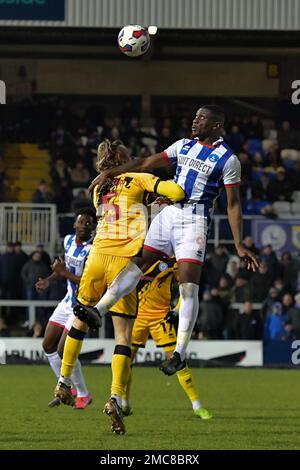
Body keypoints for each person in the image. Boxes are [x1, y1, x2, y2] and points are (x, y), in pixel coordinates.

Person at [84, 104, 259, 376]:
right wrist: (110, 173)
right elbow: (143, 163)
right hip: (169, 214)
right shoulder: (183, 146)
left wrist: (239, 244)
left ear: (216, 126)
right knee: (136, 264)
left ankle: (179, 353)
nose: (195, 121)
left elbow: (233, 204)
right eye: (195, 116)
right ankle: (99, 310)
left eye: (202, 118)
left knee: (188, 286)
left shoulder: (228, 160)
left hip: (194, 222)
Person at [53, 139, 185, 434]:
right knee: (122, 335)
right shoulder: (139, 177)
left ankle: (63, 380)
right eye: (132, 154)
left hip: (97, 257)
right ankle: (115, 396)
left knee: (80, 319)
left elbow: (123, 204)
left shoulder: (100, 187)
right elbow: (177, 191)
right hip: (124, 264)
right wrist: (159, 192)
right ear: (124, 158)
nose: (138, 157)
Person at [121, 258, 212, 420]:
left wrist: (176, 310)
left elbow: (186, 289)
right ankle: (125, 404)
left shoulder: (172, 263)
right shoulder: (137, 258)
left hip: (161, 318)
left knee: (177, 360)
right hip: (137, 318)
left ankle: (197, 406)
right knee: (126, 361)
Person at [35, 208, 96, 409]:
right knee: (47, 345)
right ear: (74, 224)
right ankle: (67, 388)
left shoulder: (93, 249)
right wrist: (49, 280)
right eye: (81, 222)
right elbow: (63, 268)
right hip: (67, 301)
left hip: (81, 306)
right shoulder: (68, 241)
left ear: (93, 227)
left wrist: (62, 272)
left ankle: (83, 394)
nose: (84, 226)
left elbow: (87, 281)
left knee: (63, 349)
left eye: (88, 223)